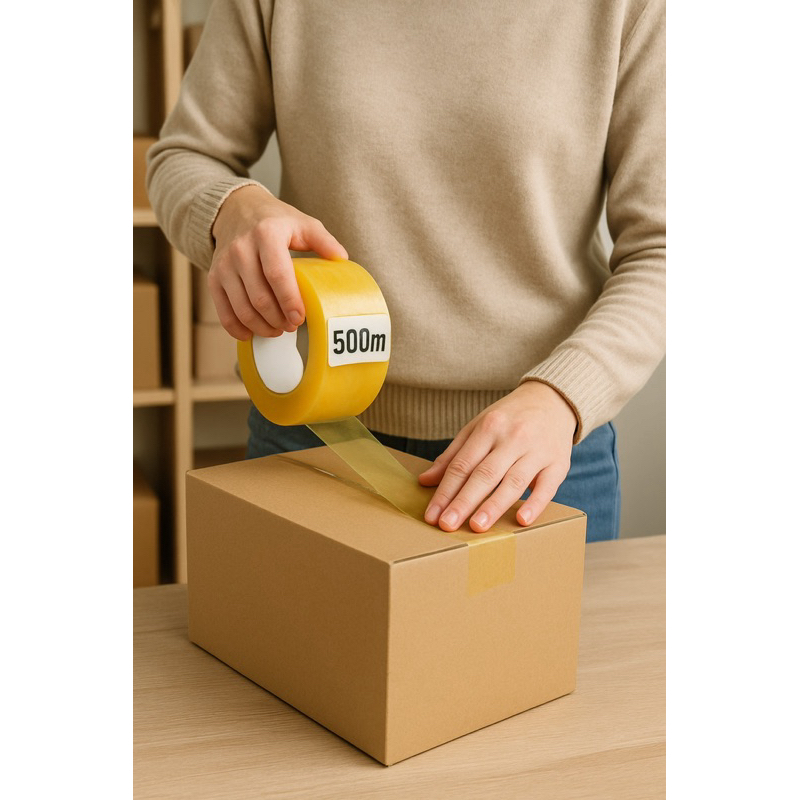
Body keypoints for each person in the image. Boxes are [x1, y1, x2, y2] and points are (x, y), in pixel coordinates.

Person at [147, 0, 665, 542]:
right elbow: (183, 154)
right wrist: (233, 209)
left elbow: (662, 247)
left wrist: (563, 396)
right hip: (312, 430)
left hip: (535, 456)